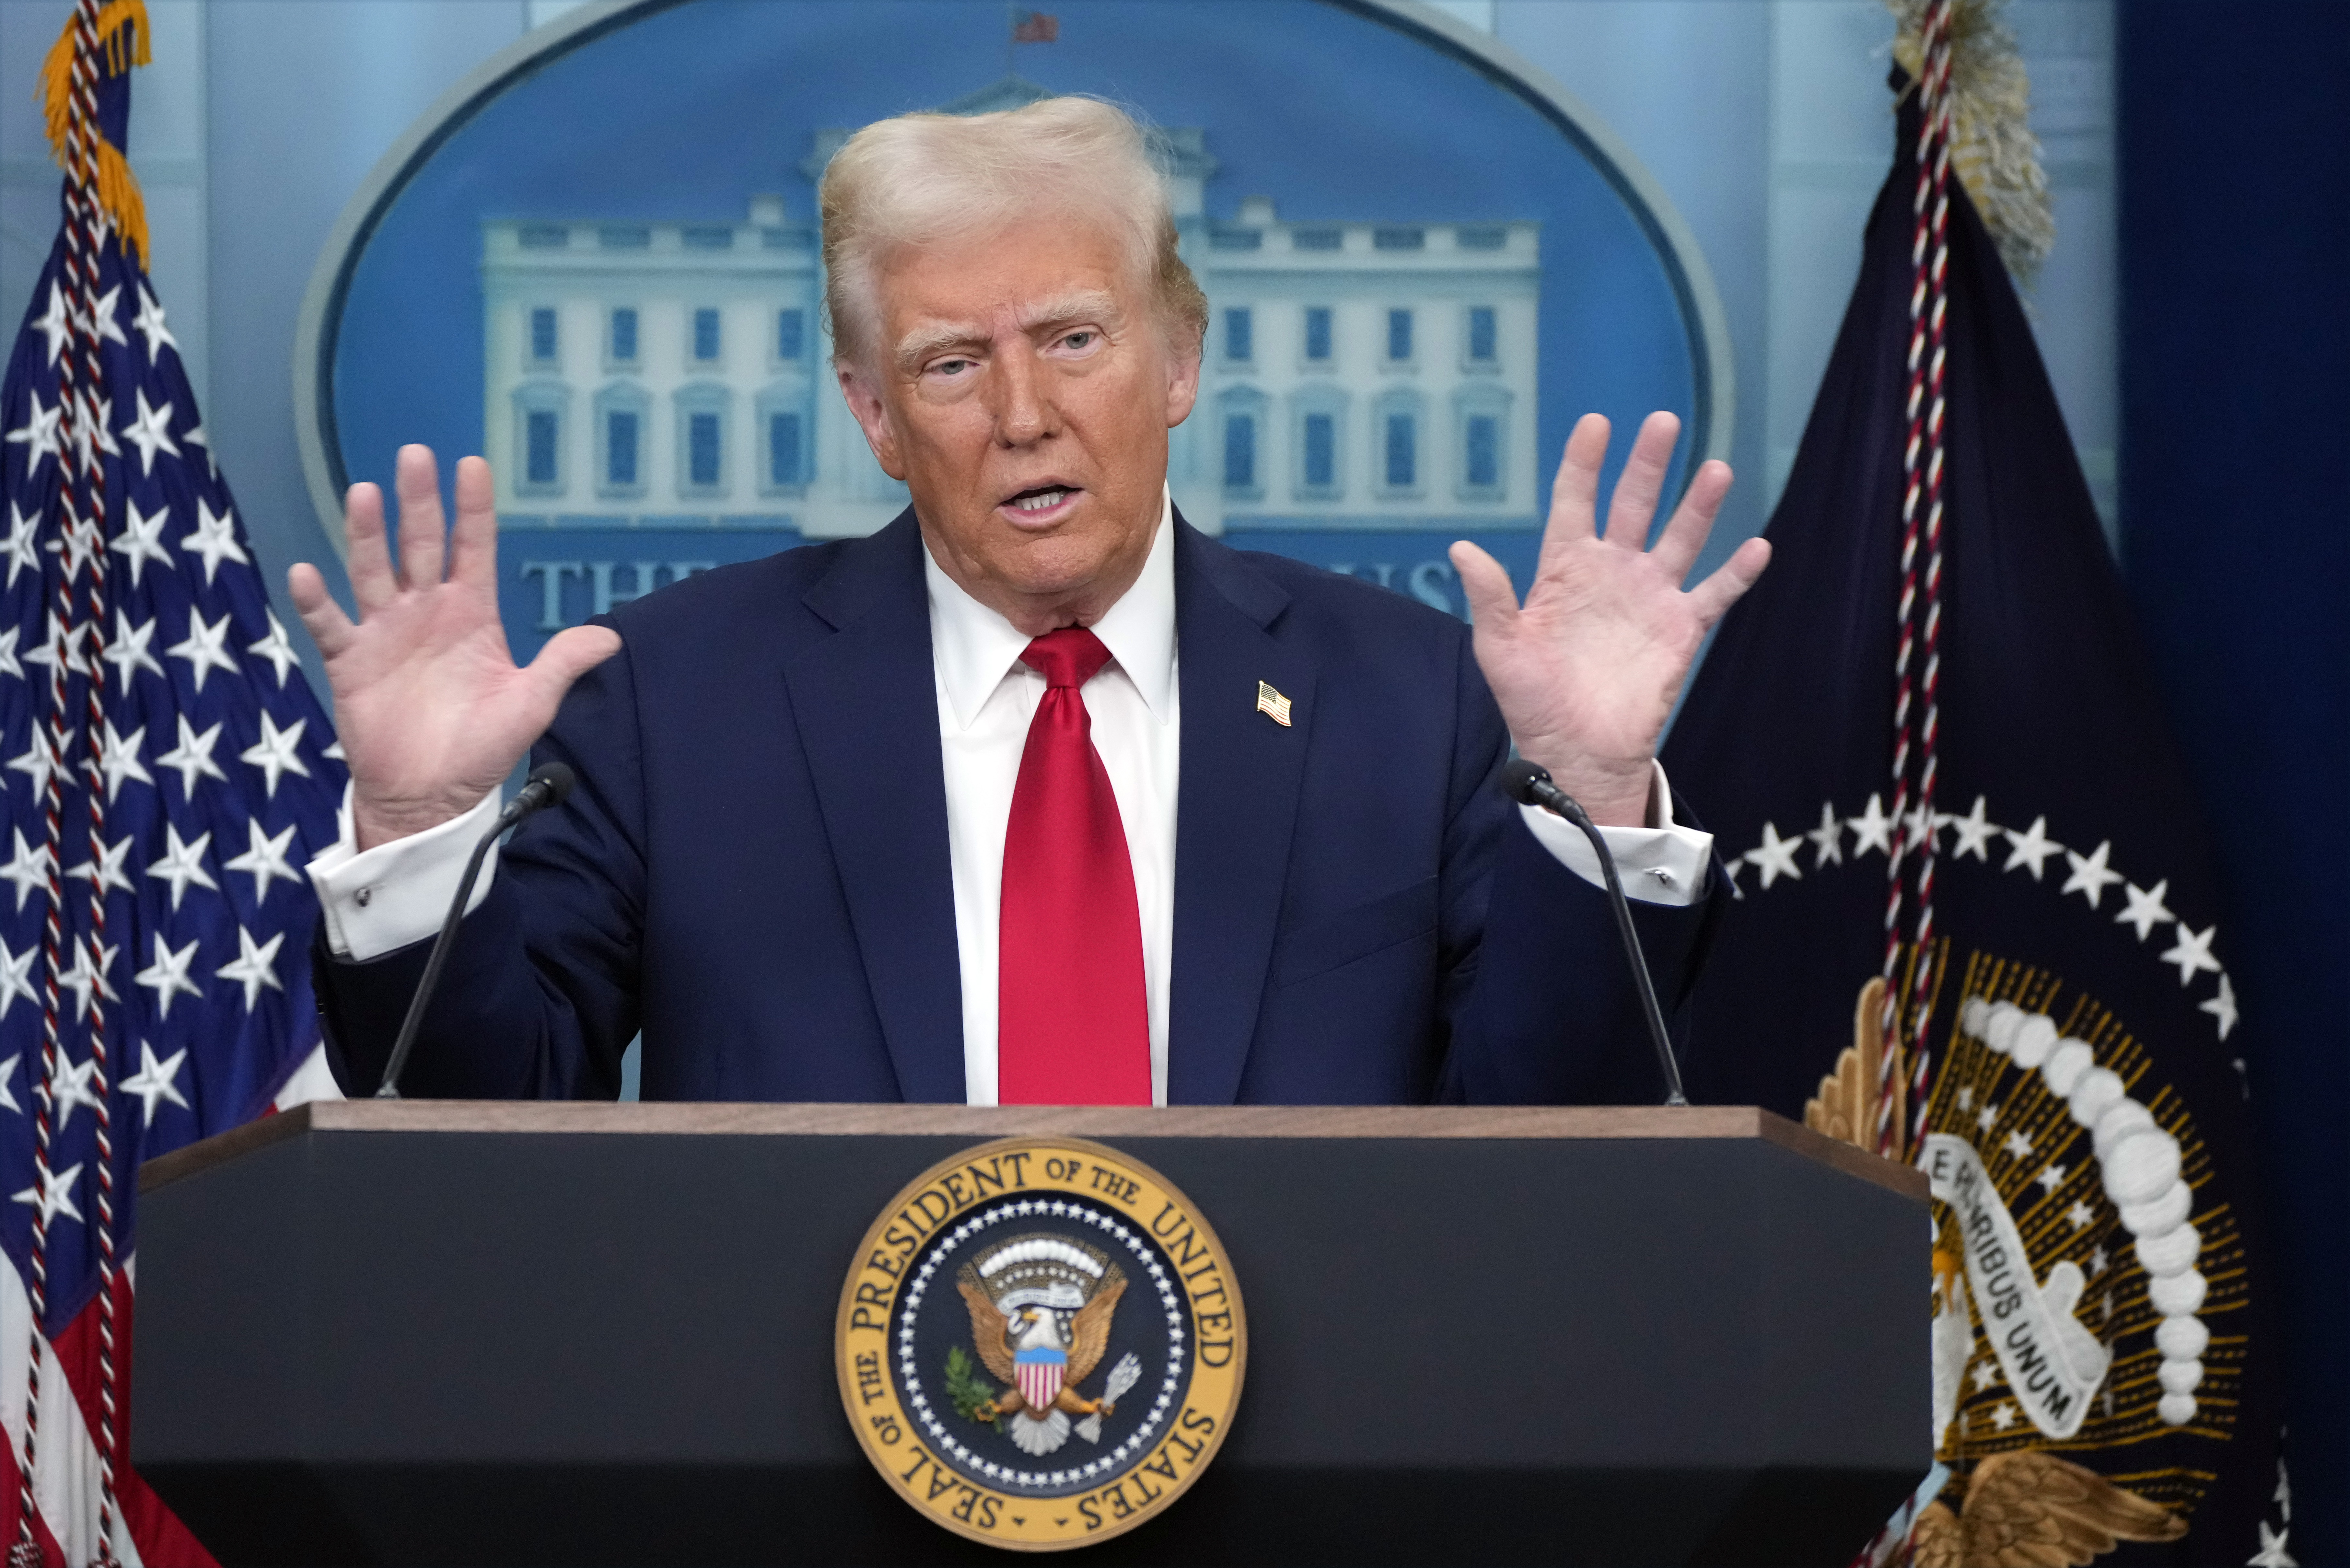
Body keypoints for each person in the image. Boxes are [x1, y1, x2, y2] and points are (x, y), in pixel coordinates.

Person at [292, 97, 1770, 1106]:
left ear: (1178, 362)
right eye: (949, 363)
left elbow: (1559, 1137)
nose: (1022, 413)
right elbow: (482, 1126)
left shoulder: (1412, 697)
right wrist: (423, 837)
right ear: (874, 415)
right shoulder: (679, 697)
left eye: (1073, 337)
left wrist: (1583, 787)